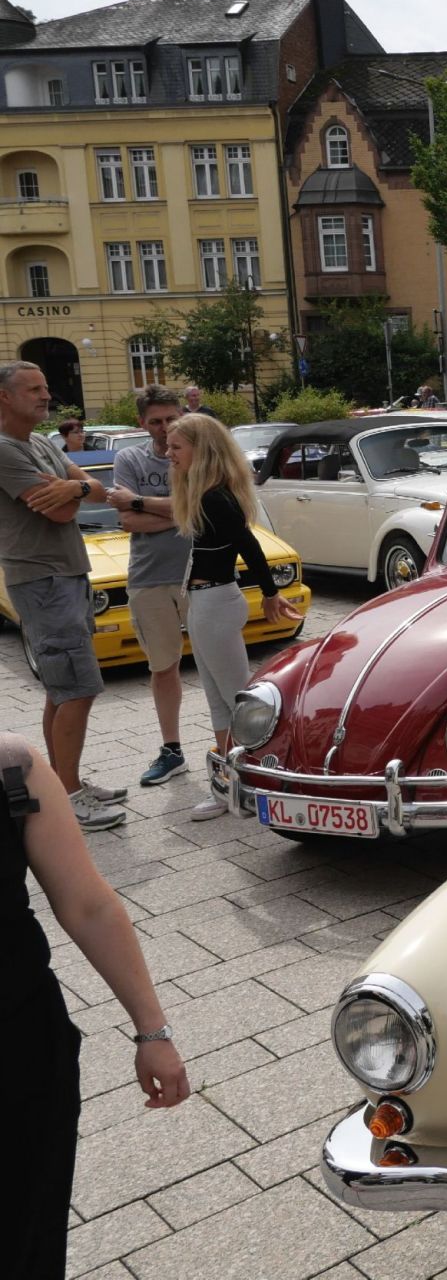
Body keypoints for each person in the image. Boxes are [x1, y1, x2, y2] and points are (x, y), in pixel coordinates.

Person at [3, 733, 191, 1279]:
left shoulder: (13, 769)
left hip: (20, 1059)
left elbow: (87, 906)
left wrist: (154, 1034)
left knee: (26, 1238)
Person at [0, 361, 127, 829]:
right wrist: (75, 490)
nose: (45, 395)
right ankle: (69, 794)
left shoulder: (37, 442)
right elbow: (56, 514)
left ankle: (62, 783)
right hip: (42, 579)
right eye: (33, 389)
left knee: (63, 685)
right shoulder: (5, 450)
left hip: (66, 575)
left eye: (45, 386)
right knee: (78, 686)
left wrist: (71, 486)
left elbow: (95, 490)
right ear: (4, 398)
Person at [166, 415, 301, 820]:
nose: (169, 454)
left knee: (237, 700)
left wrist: (271, 593)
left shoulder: (213, 498)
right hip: (206, 603)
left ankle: (263, 776)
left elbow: (249, 544)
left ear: (200, 450)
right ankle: (233, 782)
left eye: (177, 448)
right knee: (220, 701)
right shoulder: (205, 494)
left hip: (215, 604)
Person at [105, 387, 192, 788]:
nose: (164, 428)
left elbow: (201, 506)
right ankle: (171, 750)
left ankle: (233, 746)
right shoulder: (128, 457)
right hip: (149, 576)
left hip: (199, 572)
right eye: (155, 421)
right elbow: (127, 522)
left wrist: (139, 501)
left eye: (171, 418)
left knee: (216, 664)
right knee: (163, 667)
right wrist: (178, 510)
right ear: (141, 422)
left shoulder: (195, 452)